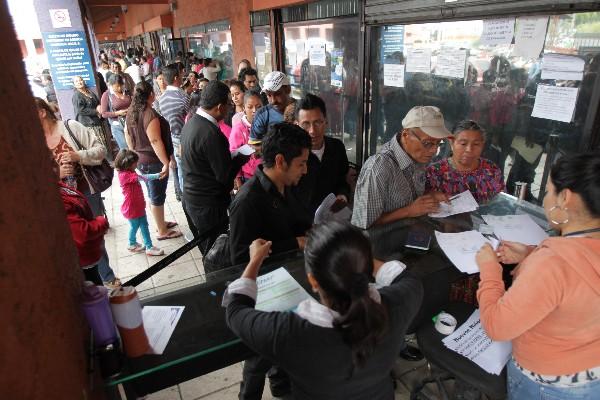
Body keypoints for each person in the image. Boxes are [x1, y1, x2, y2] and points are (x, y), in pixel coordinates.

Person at [224, 222, 424, 400]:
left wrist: (255, 260)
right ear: (367, 266)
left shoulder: (288, 333)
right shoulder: (400, 304)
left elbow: (235, 309)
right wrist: (356, 259)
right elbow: (405, 277)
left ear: (313, 281)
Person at [476, 152, 600, 399]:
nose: (545, 199)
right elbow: (580, 273)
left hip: (547, 384)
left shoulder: (552, 263)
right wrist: (530, 254)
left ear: (564, 198)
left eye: (548, 191)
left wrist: (489, 269)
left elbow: (497, 327)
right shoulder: (563, 256)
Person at [36, 97, 121, 288]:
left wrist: (78, 156)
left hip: (85, 193)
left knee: (93, 236)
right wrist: (57, 174)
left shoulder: (70, 127)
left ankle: (107, 277)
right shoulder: (33, 141)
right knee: (71, 241)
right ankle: (85, 281)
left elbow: (100, 150)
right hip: (59, 200)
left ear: (42, 112)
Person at [352, 106, 451, 229]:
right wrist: (408, 211)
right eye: (427, 143)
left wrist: (430, 197)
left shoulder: (418, 156)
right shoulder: (379, 167)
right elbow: (362, 224)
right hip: (385, 239)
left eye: (439, 143)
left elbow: (412, 196)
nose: (434, 150)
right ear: (405, 135)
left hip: (412, 232)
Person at [180, 81, 248, 256]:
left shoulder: (192, 122)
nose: (229, 109)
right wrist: (242, 158)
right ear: (219, 107)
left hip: (191, 200)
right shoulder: (211, 133)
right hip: (207, 205)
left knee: (207, 249)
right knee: (216, 253)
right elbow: (224, 177)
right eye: (228, 105)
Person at [229, 122, 312, 265]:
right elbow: (240, 257)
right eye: (301, 164)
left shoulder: (288, 184)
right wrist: (295, 243)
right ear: (280, 161)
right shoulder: (247, 201)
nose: (305, 170)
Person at [125, 81, 181, 241]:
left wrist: (134, 155)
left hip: (141, 161)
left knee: (152, 193)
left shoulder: (131, 112)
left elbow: (127, 135)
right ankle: (162, 231)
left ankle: (160, 222)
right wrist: (165, 162)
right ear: (151, 94)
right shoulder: (149, 114)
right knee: (157, 195)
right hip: (153, 161)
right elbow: (155, 140)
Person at [294, 94, 350, 215]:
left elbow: (342, 181)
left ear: (326, 121)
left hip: (332, 217)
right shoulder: (292, 155)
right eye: (306, 124)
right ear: (297, 125)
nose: (312, 131)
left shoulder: (337, 147)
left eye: (317, 122)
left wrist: (342, 196)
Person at [427, 120, 505, 203]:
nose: (469, 150)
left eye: (476, 144)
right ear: (451, 142)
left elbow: (502, 201)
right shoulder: (434, 172)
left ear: (482, 144)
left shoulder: (491, 170)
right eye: (463, 144)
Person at [114, 149, 165, 256]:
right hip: (132, 207)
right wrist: (157, 175)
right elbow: (142, 178)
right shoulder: (124, 175)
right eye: (135, 163)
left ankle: (146, 246)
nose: (136, 165)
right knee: (135, 226)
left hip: (137, 206)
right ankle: (134, 243)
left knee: (143, 225)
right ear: (127, 164)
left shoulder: (128, 172)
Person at [59, 181, 108, 285]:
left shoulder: (59, 187)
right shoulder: (59, 198)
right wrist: (102, 222)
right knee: (94, 286)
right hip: (83, 257)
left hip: (88, 254)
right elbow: (82, 232)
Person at [158, 64, 190, 201]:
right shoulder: (183, 96)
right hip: (183, 137)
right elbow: (190, 118)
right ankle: (188, 197)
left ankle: (182, 196)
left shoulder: (161, 99)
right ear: (176, 77)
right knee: (186, 170)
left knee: (178, 169)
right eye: (181, 75)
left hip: (169, 138)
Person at [71, 76, 112, 160]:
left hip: (96, 121)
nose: (79, 82)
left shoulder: (89, 92)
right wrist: (95, 111)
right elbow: (80, 110)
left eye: (80, 80)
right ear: (74, 85)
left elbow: (97, 103)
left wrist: (99, 108)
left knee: (103, 143)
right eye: (77, 81)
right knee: (97, 145)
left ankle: (107, 161)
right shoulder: (77, 95)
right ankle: (103, 162)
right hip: (88, 124)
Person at [229, 89, 263, 188]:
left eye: (258, 107)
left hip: (269, 175)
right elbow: (234, 159)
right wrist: (239, 183)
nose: (255, 111)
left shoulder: (269, 126)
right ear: (244, 108)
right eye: (250, 107)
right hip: (249, 178)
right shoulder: (238, 129)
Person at [251, 71, 294, 144]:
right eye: (269, 95)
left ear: (288, 90)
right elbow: (254, 144)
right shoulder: (261, 115)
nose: (273, 101)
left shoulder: (303, 110)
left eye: (277, 94)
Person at [100, 74, 132, 151]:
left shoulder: (126, 92)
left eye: (121, 85)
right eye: (117, 86)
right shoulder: (107, 95)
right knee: (125, 148)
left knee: (134, 145)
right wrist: (117, 113)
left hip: (130, 122)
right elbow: (104, 113)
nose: (119, 88)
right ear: (111, 85)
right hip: (118, 125)